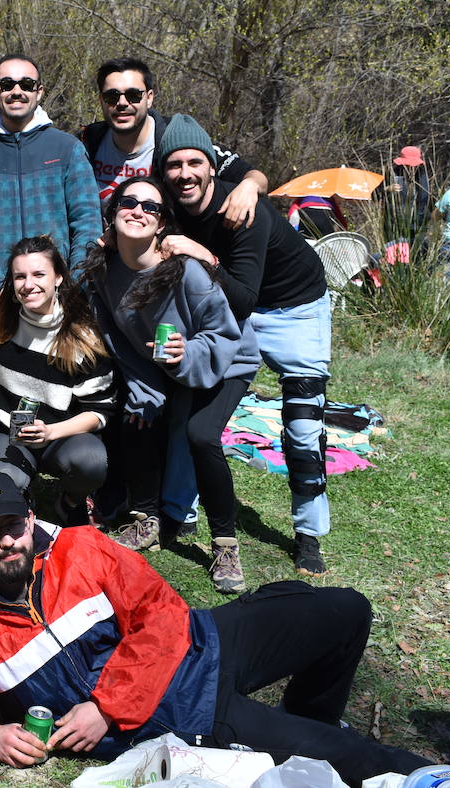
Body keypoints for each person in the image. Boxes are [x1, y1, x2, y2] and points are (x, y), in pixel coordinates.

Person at [0, 471, 433, 786]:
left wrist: (105, 706)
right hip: (188, 714)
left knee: (347, 609)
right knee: (364, 761)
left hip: (203, 640)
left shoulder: (81, 547)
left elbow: (159, 612)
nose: (7, 542)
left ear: (30, 519)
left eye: (12, 526)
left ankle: (311, 719)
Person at [156, 115, 334, 576]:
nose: (185, 173)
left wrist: (205, 254)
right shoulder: (171, 206)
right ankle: (179, 512)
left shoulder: (242, 207)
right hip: (230, 311)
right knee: (188, 404)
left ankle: (309, 534)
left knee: (302, 424)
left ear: (214, 167)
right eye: (174, 165)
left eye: (196, 162)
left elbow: (246, 296)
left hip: (295, 306)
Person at [84, 176, 259, 592]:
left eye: (151, 207)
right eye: (128, 202)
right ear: (112, 214)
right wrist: (146, 389)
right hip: (166, 366)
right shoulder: (104, 272)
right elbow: (116, 339)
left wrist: (189, 354)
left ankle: (225, 545)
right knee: (137, 412)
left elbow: (224, 333)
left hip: (225, 359)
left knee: (200, 435)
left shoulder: (186, 273)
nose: (138, 211)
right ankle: (147, 520)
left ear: (162, 224)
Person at [0, 236, 114, 527]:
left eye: (39, 274)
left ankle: (70, 501)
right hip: (3, 430)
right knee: (4, 483)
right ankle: (21, 497)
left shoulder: (81, 336)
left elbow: (99, 411)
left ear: (59, 277)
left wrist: (50, 432)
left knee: (91, 461)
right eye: (20, 276)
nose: (29, 284)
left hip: (57, 434)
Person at [0, 54, 100, 298]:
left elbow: (87, 222)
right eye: (7, 84)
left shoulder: (68, 148)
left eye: (26, 84)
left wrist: (73, 284)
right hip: (3, 294)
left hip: (61, 293)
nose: (16, 91)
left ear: (39, 91)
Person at [79, 58, 268, 226]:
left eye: (133, 95)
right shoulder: (87, 141)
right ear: (101, 101)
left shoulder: (176, 138)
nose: (122, 103)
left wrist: (249, 187)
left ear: (149, 98)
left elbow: (254, 176)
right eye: (112, 96)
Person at [376, 144, 432, 261]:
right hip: (394, 226)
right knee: (394, 258)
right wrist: (387, 189)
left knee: (416, 259)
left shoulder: (423, 175)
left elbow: (427, 202)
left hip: (417, 227)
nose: (410, 167)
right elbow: (374, 195)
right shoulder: (392, 173)